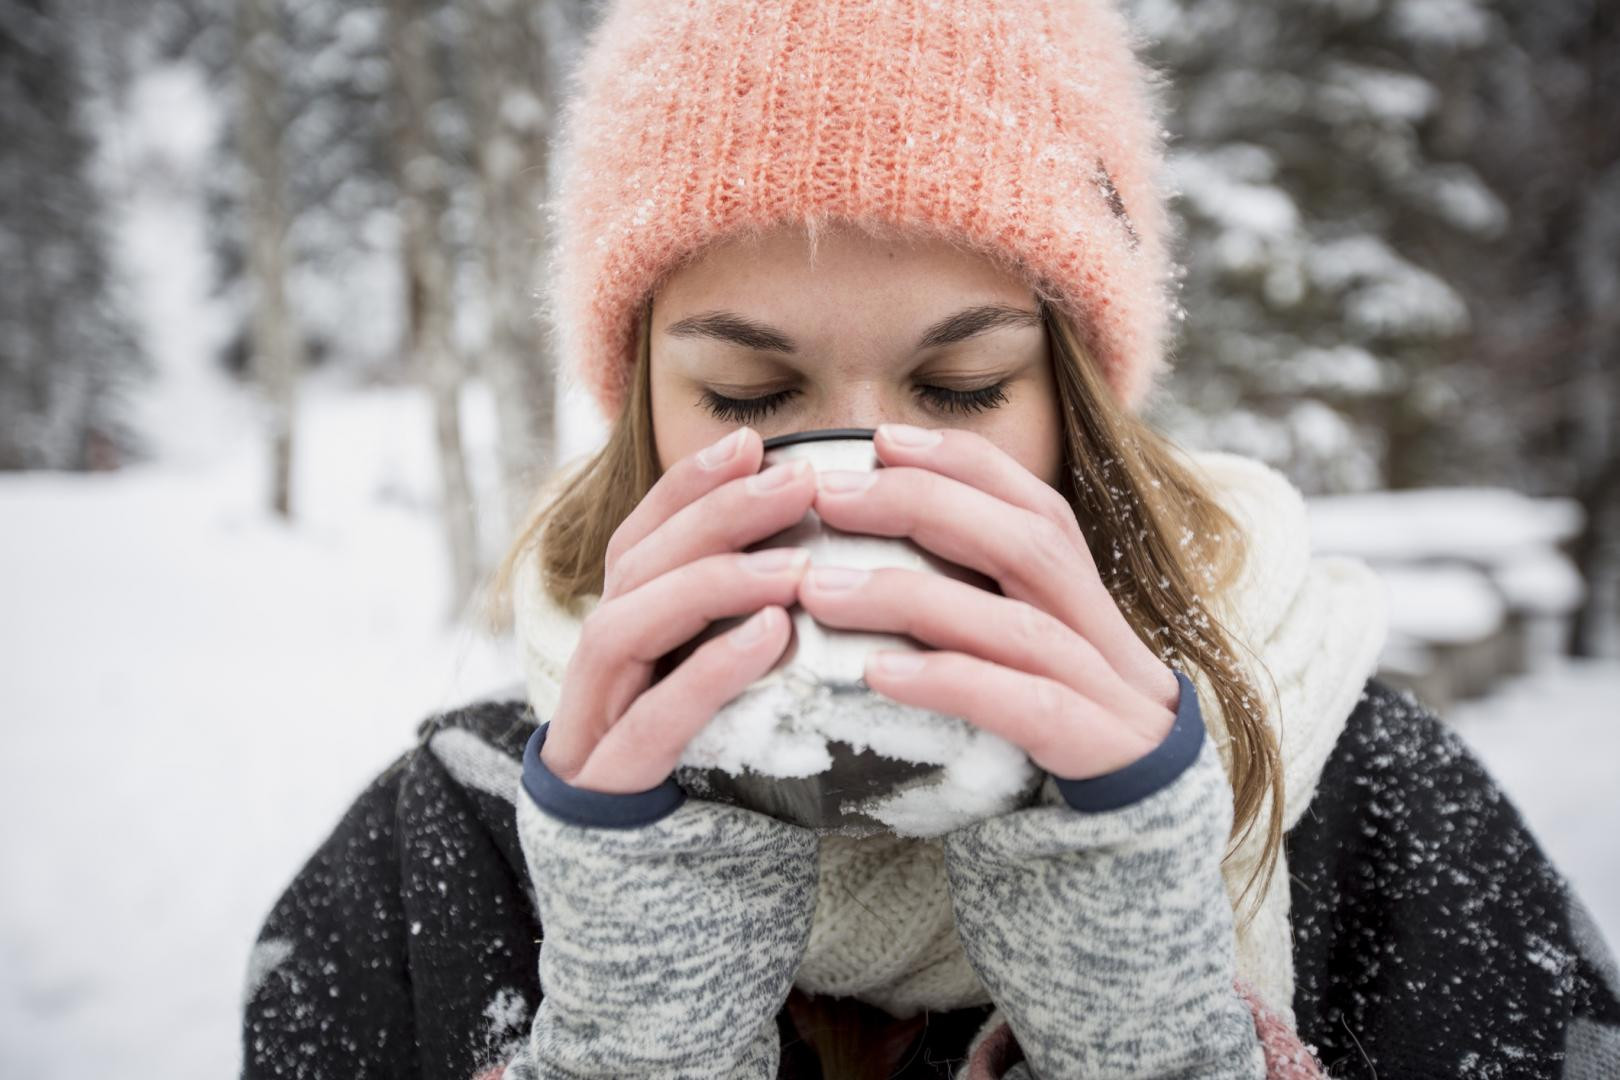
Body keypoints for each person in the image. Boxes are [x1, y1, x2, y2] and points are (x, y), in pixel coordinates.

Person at [240, 1, 1620, 1078]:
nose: (855, 483)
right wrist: (629, 1024)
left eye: (961, 391)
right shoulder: (453, 848)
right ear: (643, 406)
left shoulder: (1371, 814)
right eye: (749, 396)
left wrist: (1143, 1007)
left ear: (1079, 404)